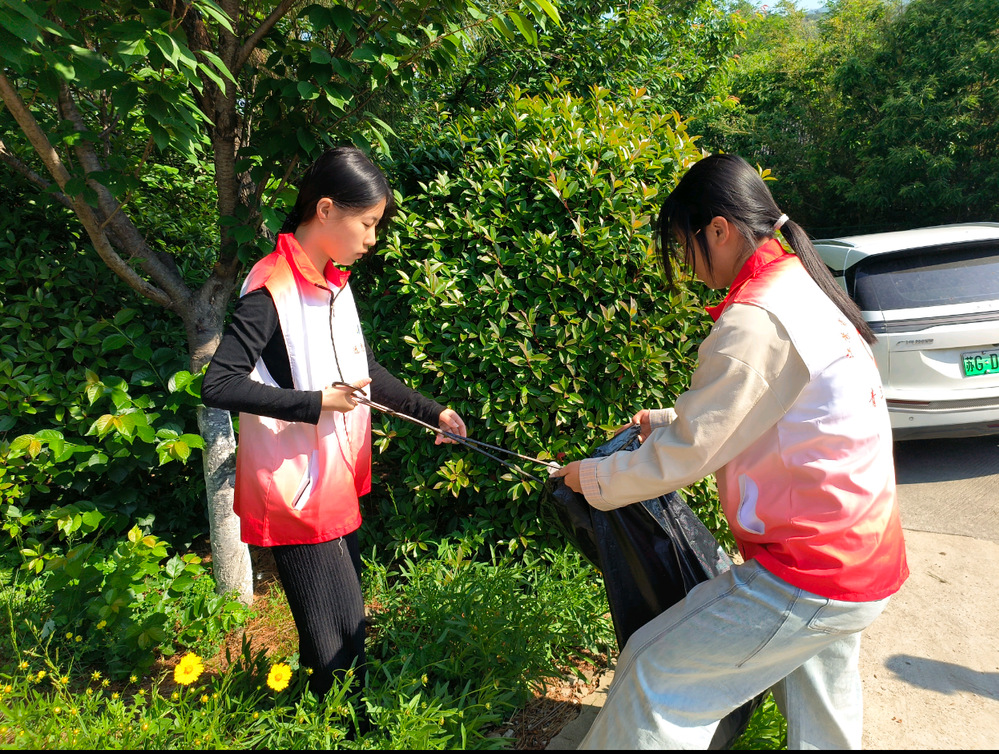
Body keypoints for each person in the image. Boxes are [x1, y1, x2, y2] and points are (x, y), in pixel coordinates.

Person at [551, 153, 908, 750]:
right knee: (823, 717)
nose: (688, 266)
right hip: (863, 555)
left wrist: (591, 477)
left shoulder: (757, 317)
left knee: (653, 674)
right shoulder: (805, 286)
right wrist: (665, 421)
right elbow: (775, 409)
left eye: (684, 246)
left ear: (718, 229)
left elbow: (691, 452)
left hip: (809, 569)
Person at [202, 146, 467, 707]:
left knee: (342, 629)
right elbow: (218, 384)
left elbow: (361, 368)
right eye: (367, 223)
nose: (372, 238)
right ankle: (342, 727)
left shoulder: (333, 282)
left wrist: (432, 412)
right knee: (335, 639)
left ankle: (333, 717)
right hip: (294, 489)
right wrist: (316, 403)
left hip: (330, 478)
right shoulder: (271, 288)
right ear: (325, 210)